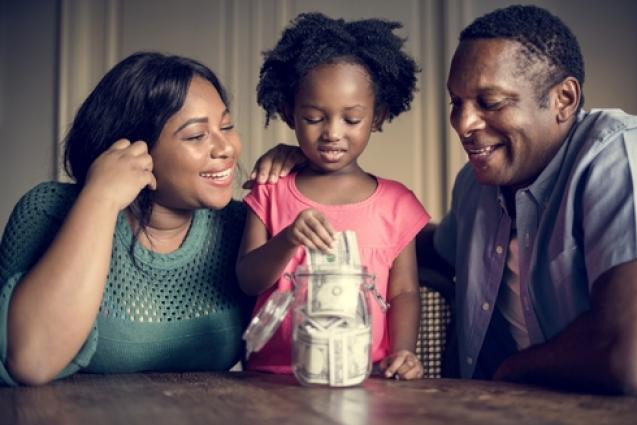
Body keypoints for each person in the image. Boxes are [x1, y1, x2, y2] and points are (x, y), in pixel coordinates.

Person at [0, 52, 293, 386]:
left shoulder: (241, 225)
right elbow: (30, 361)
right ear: (132, 148)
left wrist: (310, 174)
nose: (226, 147)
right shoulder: (47, 211)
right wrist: (100, 198)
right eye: (197, 136)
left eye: (226, 126)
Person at [415, 5, 637, 394]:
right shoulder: (475, 187)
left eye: (490, 103)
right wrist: (315, 181)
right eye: (457, 102)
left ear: (564, 98)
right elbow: (433, 248)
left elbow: (630, 356)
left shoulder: (621, 154)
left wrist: (512, 370)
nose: (462, 123)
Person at [236, 13, 430, 380]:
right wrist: (289, 239)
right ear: (288, 113)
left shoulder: (397, 203)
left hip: (368, 376)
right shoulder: (270, 191)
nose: (332, 133)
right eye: (314, 118)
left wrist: (404, 352)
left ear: (377, 116)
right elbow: (248, 279)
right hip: (274, 380)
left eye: (351, 119)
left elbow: (404, 291)